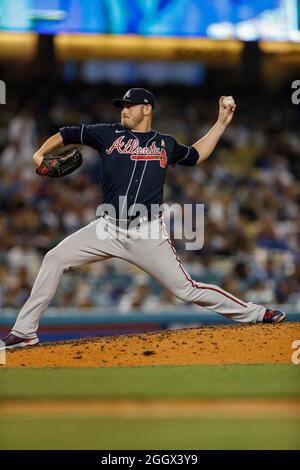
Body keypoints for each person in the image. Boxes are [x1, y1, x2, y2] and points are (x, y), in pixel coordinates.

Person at [0, 88, 286, 350]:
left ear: (147, 109)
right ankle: (25, 331)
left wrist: (221, 123)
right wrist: (40, 154)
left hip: (147, 232)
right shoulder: (106, 133)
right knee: (54, 258)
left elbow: (196, 154)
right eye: (122, 106)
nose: (123, 110)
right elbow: (66, 134)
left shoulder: (165, 143)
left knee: (186, 289)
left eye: (129, 106)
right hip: (107, 227)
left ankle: (257, 313)